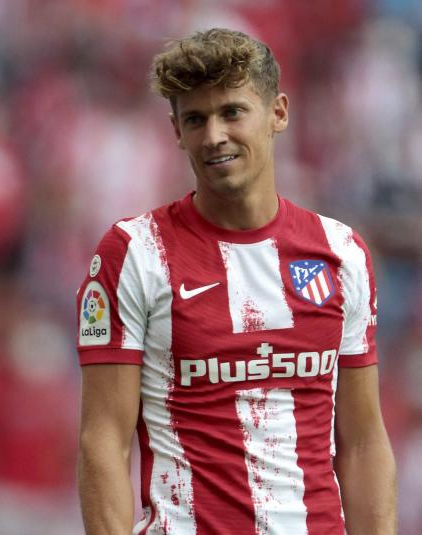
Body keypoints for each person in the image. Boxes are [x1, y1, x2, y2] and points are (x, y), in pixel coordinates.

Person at [76, 28, 397, 535]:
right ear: (177, 132)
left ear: (279, 113)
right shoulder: (134, 254)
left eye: (231, 112)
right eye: (195, 120)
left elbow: (362, 440)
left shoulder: (341, 254)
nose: (214, 136)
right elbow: (103, 441)